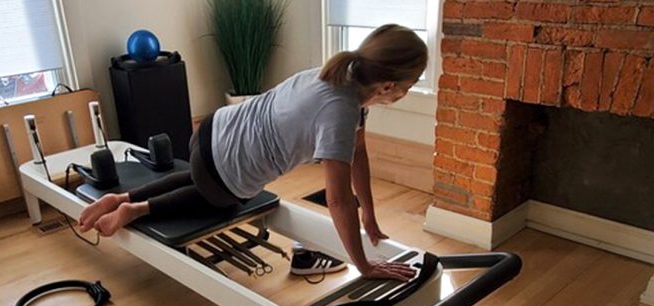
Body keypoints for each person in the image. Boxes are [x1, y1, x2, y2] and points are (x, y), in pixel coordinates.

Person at [79, 24, 427, 281]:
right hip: (221, 168)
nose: (405, 94)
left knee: (205, 180)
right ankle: (135, 209)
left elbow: (359, 154)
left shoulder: (342, 73)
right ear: (388, 86)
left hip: (211, 130)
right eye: (409, 87)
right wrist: (364, 266)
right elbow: (337, 201)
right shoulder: (341, 110)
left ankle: (120, 197)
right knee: (225, 198)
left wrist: (368, 212)